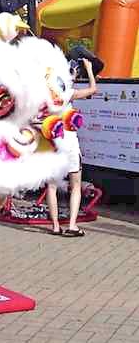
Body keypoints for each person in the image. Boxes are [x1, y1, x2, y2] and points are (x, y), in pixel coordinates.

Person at [46, 58, 97, 237]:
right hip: (69, 145)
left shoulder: (46, 98)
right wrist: (89, 70)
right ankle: (72, 226)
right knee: (75, 185)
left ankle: (55, 226)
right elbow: (93, 89)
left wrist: (70, 77)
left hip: (52, 145)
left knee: (51, 187)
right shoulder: (68, 95)